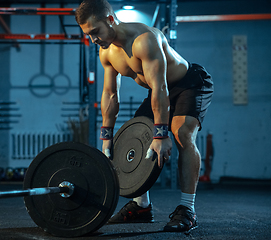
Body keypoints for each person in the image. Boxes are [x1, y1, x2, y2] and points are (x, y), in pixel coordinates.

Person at [75, 0, 213, 233]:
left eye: (95, 32)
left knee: (181, 134)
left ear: (110, 20)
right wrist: (106, 136)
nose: (93, 39)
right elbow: (109, 94)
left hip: (190, 83)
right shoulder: (106, 52)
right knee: (133, 138)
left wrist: (161, 134)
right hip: (160, 90)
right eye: (88, 35)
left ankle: (187, 209)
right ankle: (141, 206)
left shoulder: (145, 40)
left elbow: (159, 88)